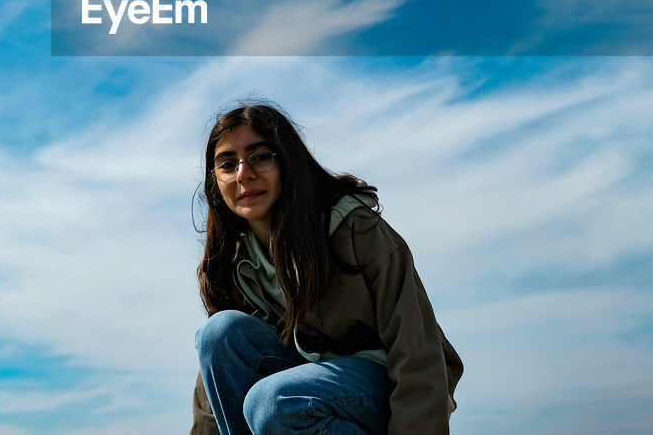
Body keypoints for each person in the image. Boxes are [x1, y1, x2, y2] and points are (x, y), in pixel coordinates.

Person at [191, 102, 463, 435]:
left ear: (288, 163)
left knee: (274, 401)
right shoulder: (233, 262)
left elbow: (418, 349)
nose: (243, 174)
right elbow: (213, 389)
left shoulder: (353, 228)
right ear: (215, 181)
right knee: (220, 332)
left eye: (260, 156)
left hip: (384, 385)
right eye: (228, 164)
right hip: (301, 388)